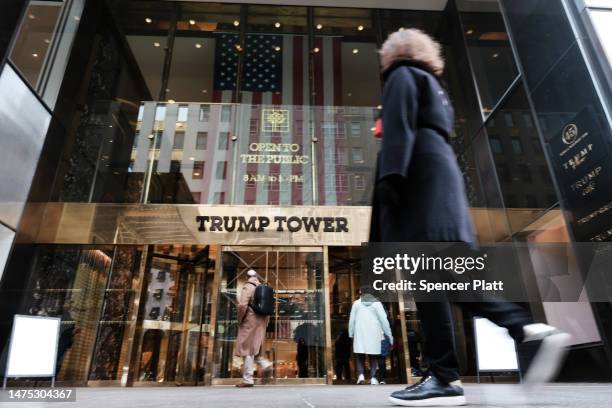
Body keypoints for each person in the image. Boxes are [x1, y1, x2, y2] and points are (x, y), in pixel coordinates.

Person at [370, 28, 571, 406]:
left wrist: (390, 181)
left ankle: (520, 332)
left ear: (392, 55)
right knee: (437, 284)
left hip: (419, 188)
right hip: (440, 187)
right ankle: (448, 375)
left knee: (439, 282)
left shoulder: (402, 75)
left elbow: (398, 130)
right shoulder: (435, 87)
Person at [349, 285, 393, 385]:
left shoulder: (356, 304)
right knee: (373, 355)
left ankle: (361, 376)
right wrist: (388, 334)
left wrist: (351, 333)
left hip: (360, 332)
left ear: (362, 293)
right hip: (374, 332)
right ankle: (373, 378)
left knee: (360, 355)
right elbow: (384, 320)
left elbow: (352, 320)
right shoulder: (377, 304)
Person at [235, 269, 272, 387]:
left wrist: (240, 319)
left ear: (247, 277)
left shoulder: (248, 287)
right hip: (261, 321)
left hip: (250, 320)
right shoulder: (262, 287)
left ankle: (248, 379)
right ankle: (265, 364)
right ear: (257, 277)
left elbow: (242, 305)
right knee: (254, 347)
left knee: (247, 349)